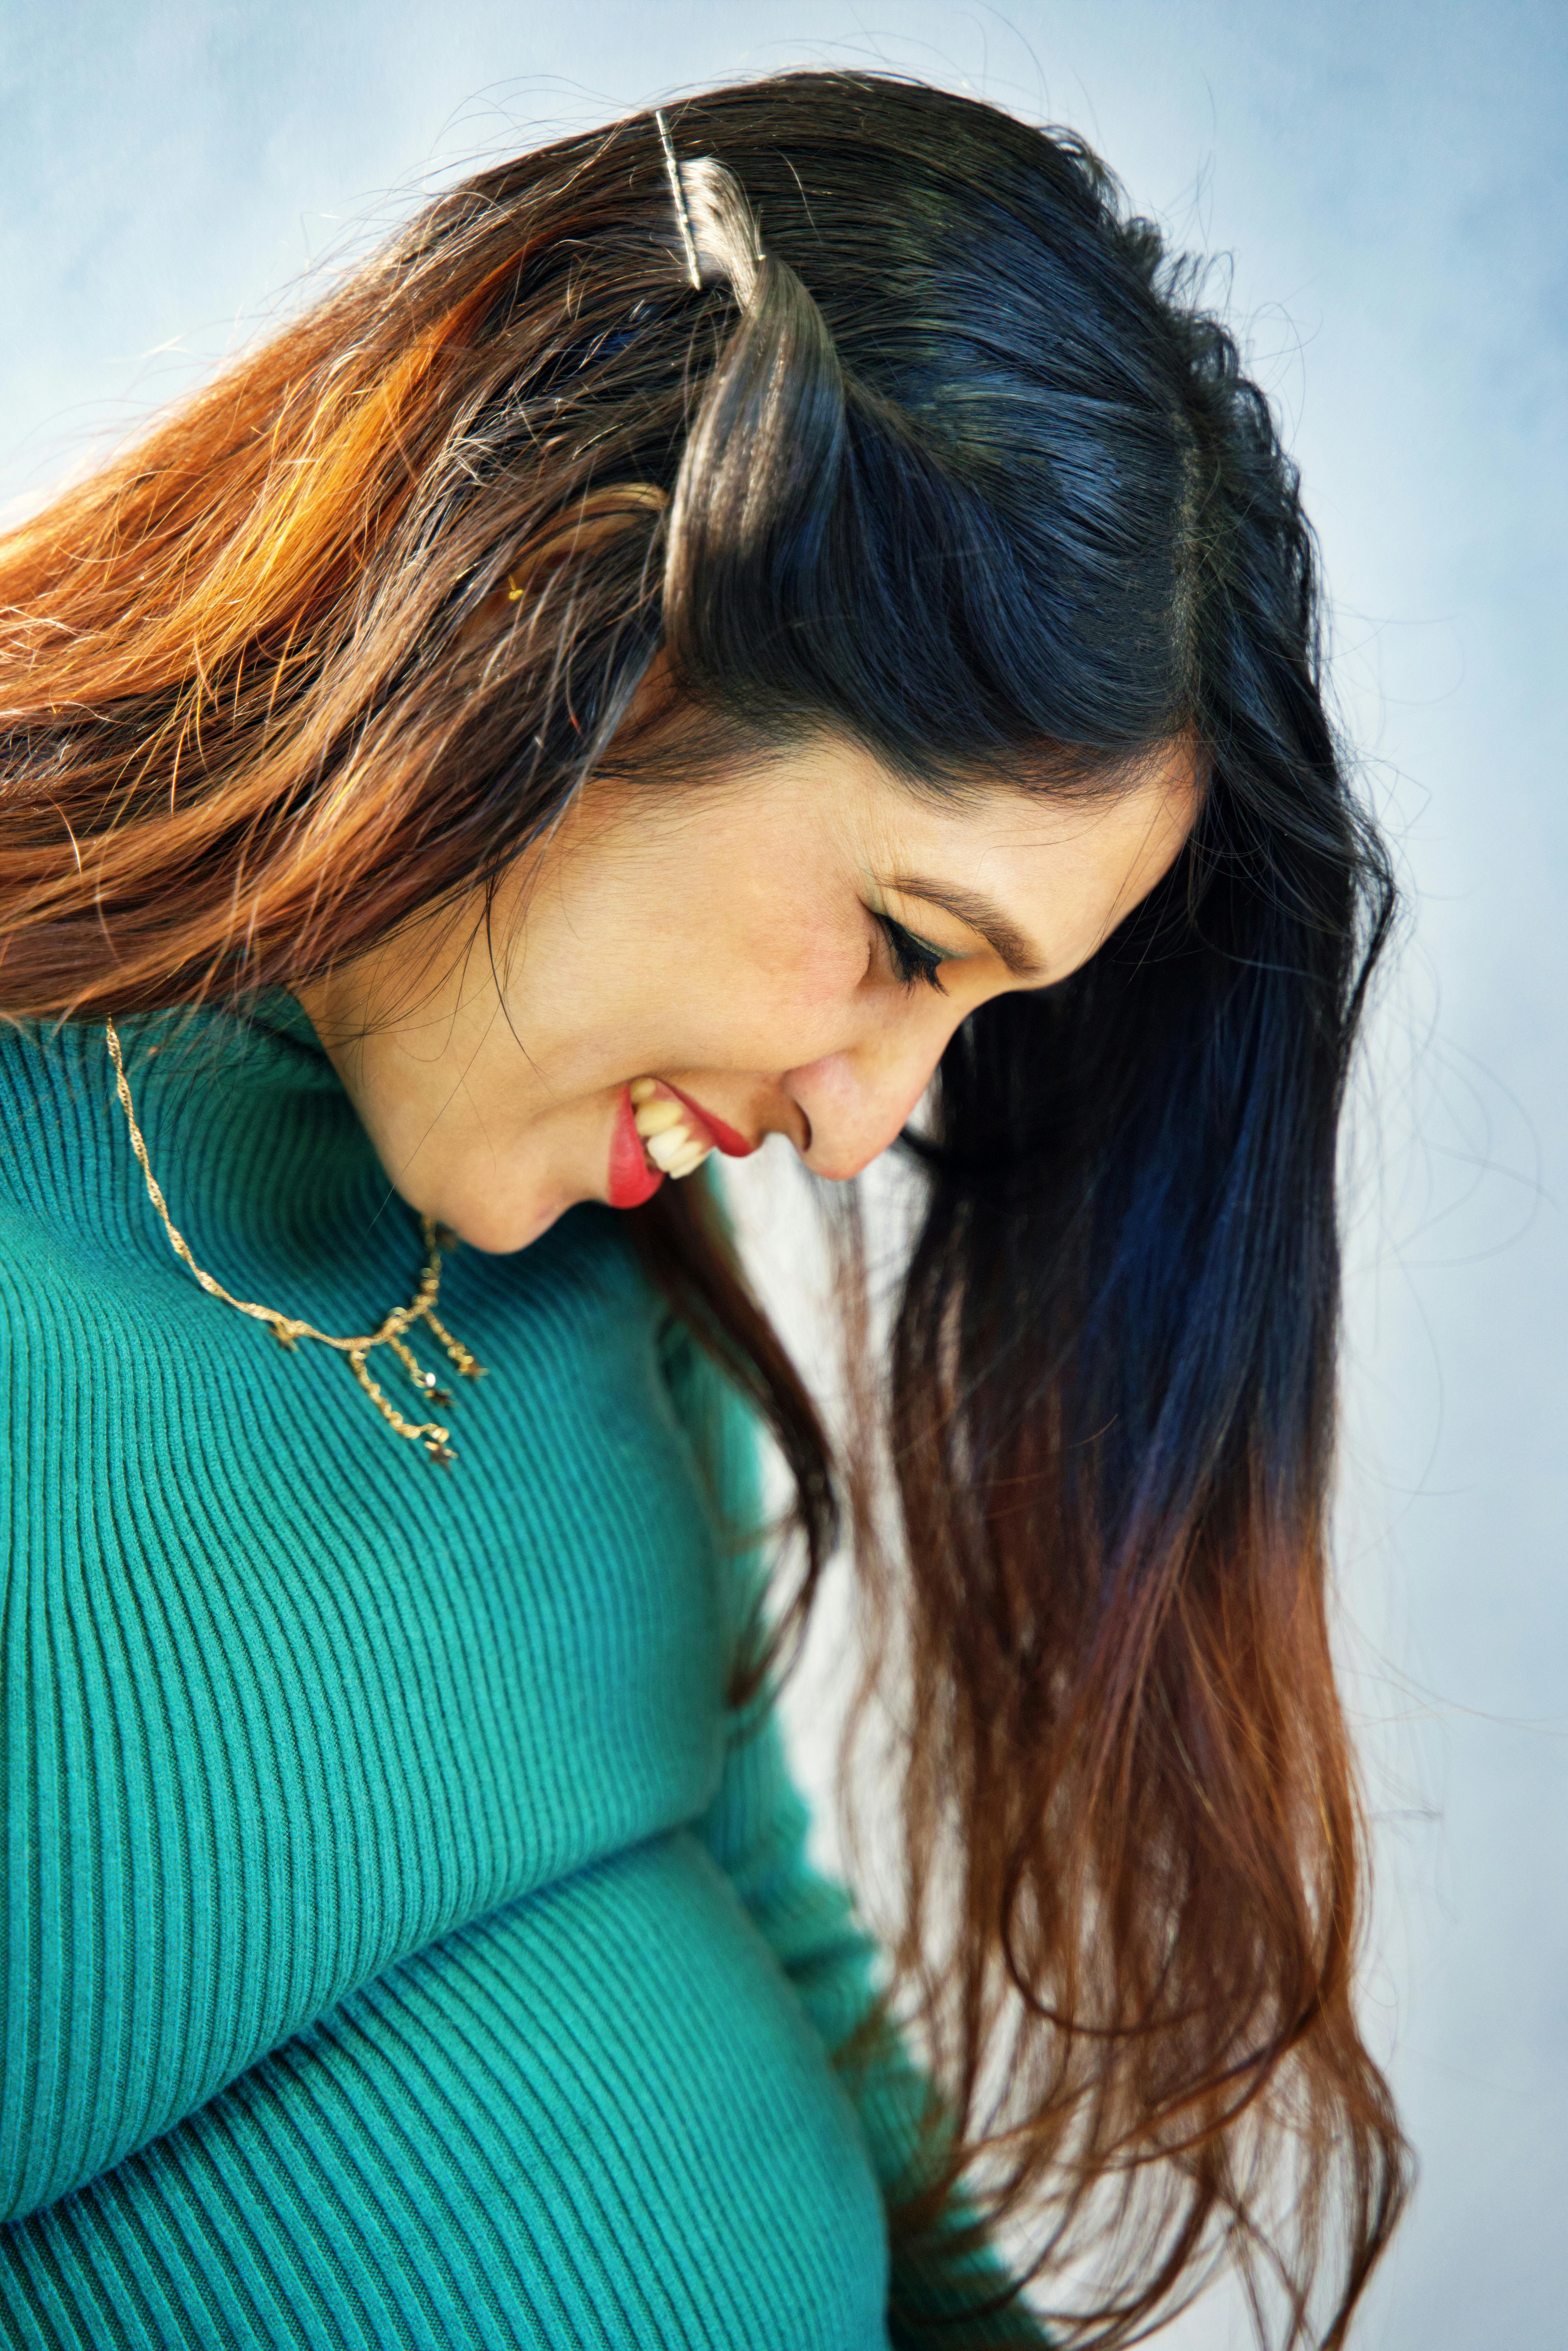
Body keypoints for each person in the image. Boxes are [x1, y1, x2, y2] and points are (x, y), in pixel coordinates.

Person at [0, 70, 1407, 2349]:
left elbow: (771, 1931)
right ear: (582, 614)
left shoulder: (613, 1241)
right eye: (901, 939)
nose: (863, 1135)